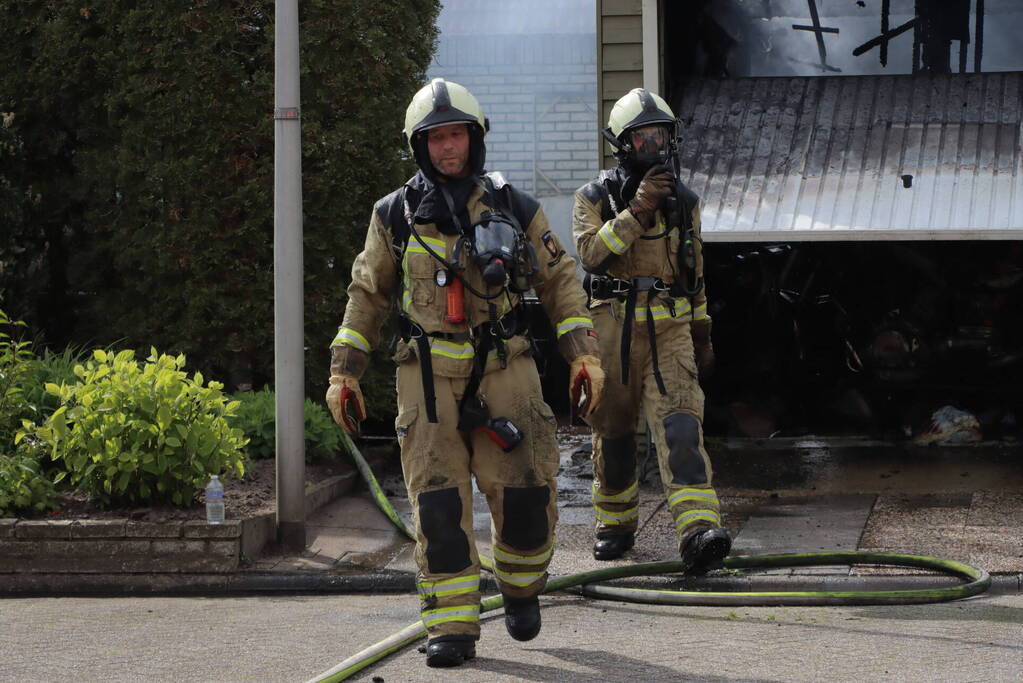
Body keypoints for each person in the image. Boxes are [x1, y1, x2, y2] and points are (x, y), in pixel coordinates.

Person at [326, 78, 605, 668]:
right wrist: (343, 372)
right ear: (418, 146)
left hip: (507, 366)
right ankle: (452, 626)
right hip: (425, 380)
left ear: (474, 140)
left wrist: (583, 353)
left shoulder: (515, 206)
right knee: (437, 506)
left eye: (457, 135)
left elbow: (562, 283)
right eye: (436, 138)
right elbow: (366, 296)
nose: (447, 148)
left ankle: (522, 586)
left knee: (527, 496)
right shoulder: (394, 215)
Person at [572, 88, 730, 573]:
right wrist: (638, 210)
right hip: (613, 329)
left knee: (682, 427)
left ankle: (698, 532)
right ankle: (615, 526)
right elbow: (591, 254)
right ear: (623, 145)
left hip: (670, 331)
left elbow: (695, 271)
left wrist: (702, 335)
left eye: (660, 135)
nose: (654, 146)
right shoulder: (594, 197)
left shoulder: (685, 202)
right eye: (642, 138)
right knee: (614, 434)